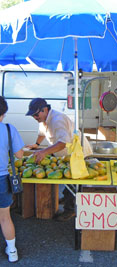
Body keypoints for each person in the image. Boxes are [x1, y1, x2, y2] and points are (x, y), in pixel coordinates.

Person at [25, 98, 92, 221]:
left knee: (73, 180)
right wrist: (36, 144)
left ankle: (69, 209)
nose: (34, 117)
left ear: (44, 110)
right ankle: (67, 197)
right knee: (67, 178)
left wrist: (44, 152)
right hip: (66, 155)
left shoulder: (58, 120)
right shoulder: (43, 119)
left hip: (77, 153)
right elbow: (42, 133)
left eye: (36, 114)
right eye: (32, 115)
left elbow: (63, 143)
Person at [0, 96, 24, 263]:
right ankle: (12, 252)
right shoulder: (8, 129)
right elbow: (19, 155)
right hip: (2, 178)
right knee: (5, 217)